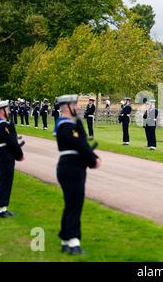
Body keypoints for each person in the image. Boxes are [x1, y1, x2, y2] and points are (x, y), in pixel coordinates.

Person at [54, 94, 101, 254]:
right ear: (67, 107)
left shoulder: (71, 124)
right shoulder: (65, 125)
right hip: (71, 167)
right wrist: (93, 159)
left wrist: (89, 159)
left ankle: (65, 239)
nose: (79, 107)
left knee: (71, 204)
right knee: (75, 204)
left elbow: (82, 145)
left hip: (74, 166)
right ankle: (74, 242)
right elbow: (79, 144)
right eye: (75, 104)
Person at [0, 100, 24, 218]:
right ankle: (1, 209)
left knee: (1, 179)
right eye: (7, 109)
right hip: (5, 155)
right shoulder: (2, 125)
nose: (8, 111)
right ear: (1, 111)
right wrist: (19, 154)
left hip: (1, 153)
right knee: (5, 180)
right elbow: (12, 142)